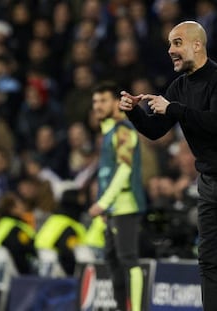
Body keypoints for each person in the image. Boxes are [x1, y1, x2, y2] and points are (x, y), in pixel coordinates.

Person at [119, 21, 217, 311]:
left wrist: (173, 108)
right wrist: (134, 112)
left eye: (177, 43)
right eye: (169, 44)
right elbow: (154, 130)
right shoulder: (180, 85)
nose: (170, 50)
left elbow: (214, 122)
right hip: (209, 182)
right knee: (209, 259)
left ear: (197, 45)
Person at [88, 81, 146, 311]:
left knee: (128, 260)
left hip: (126, 205)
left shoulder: (123, 130)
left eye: (103, 100)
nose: (97, 106)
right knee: (113, 261)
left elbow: (124, 169)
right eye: (95, 101)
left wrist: (103, 203)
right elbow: (107, 174)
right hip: (113, 209)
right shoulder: (108, 132)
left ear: (115, 102)